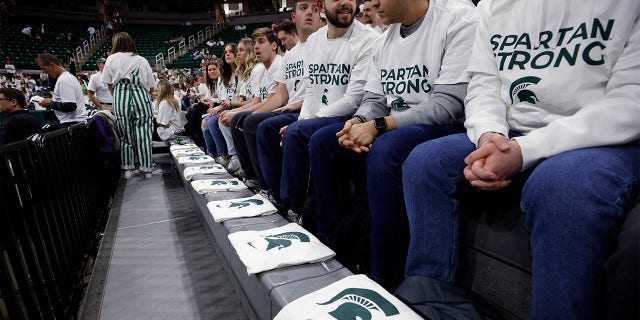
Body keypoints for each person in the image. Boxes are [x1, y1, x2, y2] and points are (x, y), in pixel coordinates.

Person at [402, 0, 640, 318]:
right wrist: (490, 135)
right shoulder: (494, 6)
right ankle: (433, 302)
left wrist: (526, 151)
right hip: (513, 131)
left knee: (562, 184)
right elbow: (484, 86)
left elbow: (631, 98)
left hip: (603, 137)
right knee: (426, 162)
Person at [309, 0, 478, 290]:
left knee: (388, 149)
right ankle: (329, 242)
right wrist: (359, 120)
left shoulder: (457, 19)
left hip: (446, 127)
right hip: (395, 126)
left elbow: (447, 105)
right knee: (325, 141)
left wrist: (376, 127)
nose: (369, 3)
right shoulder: (385, 39)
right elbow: (374, 100)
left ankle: (385, 276)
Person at [261, 0, 379, 222]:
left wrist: (306, 123)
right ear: (321, 4)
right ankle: (287, 204)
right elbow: (313, 93)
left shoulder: (368, 40)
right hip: (322, 115)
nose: (346, 2)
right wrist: (303, 120)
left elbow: (354, 99)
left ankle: (297, 212)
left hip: (352, 116)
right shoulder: (315, 40)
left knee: (299, 135)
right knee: (283, 131)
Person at [101, 32, 156, 179]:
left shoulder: (111, 59)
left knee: (125, 135)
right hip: (141, 97)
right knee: (144, 134)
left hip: (121, 97)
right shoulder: (141, 60)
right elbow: (151, 85)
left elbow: (109, 84)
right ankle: (147, 169)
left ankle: (128, 169)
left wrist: (118, 97)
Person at [37, 53, 87, 123]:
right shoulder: (69, 77)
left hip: (73, 122)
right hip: (77, 121)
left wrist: (50, 103)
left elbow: (71, 106)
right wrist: (52, 100)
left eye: (44, 68)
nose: (44, 72)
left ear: (52, 65)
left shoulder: (64, 80)